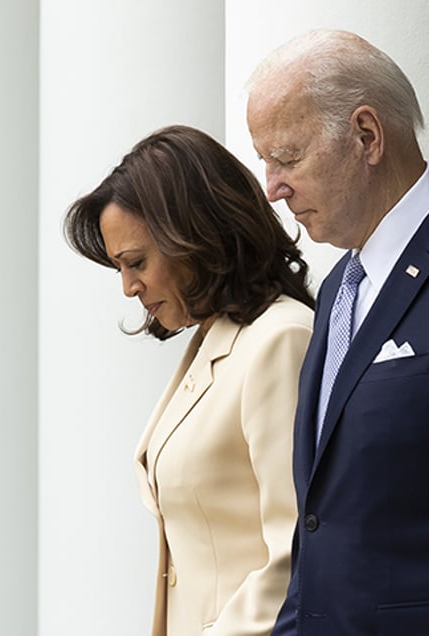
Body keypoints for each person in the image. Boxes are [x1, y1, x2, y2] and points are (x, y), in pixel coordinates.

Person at [247, 30, 429, 635]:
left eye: (287, 158)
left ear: (367, 136)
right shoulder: (340, 284)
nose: (272, 187)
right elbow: (318, 530)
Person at [64, 125, 315, 636]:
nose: (130, 287)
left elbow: (297, 550)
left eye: (136, 263)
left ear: (196, 236)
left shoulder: (280, 339)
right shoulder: (215, 338)